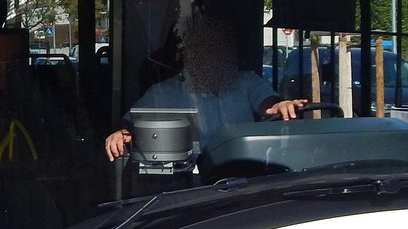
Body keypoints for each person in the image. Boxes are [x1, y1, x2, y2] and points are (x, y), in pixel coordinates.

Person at [105, 13, 305, 162]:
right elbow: (130, 124)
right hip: (194, 187)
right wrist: (120, 134)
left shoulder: (246, 82)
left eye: (220, 47)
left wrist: (281, 105)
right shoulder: (164, 92)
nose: (214, 55)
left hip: (246, 179)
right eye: (206, 47)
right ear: (189, 53)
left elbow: (269, 103)